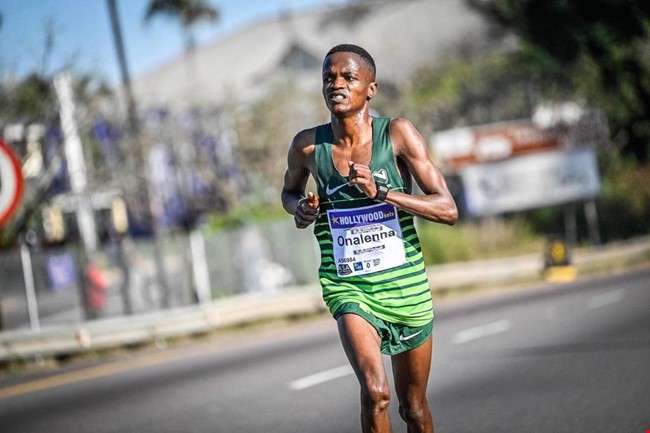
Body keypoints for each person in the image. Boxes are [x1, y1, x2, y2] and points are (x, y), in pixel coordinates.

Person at [281, 44, 458, 433]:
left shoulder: (397, 134)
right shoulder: (307, 146)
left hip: (406, 287)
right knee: (376, 393)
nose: (337, 84)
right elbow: (288, 193)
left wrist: (384, 193)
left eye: (348, 77)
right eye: (329, 78)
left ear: (371, 89)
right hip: (349, 286)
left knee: (414, 408)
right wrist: (300, 209)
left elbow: (447, 209)